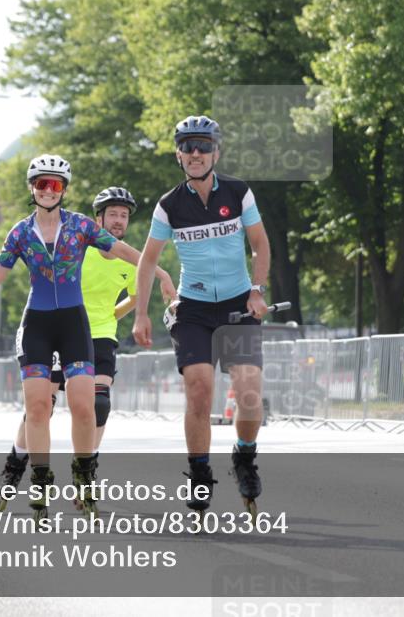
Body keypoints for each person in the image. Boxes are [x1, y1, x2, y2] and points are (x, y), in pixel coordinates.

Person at [0, 154, 148, 518]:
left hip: (73, 325)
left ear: (64, 190)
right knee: (38, 408)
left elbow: (123, 251)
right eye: (41, 184)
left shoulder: (80, 226)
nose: (48, 190)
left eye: (56, 185)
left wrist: (156, 269)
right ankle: (39, 480)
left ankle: (84, 477)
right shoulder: (20, 233)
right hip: (36, 325)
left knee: (85, 406)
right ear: (32, 188)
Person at [0, 186, 176, 510]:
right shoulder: (79, 244)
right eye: (113, 214)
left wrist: (113, 315)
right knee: (42, 406)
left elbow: (135, 296)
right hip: (57, 329)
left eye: (124, 215)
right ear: (99, 218)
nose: (119, 221)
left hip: (100, 335)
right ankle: (16, 463)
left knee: (100, 404)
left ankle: (85, 474)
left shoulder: (128, 260)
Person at [132, 115, 271, 514]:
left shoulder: (238, 192)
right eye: (188, 146)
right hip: (192, 308)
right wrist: (141, 314)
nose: (196, 153)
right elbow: (147, 261)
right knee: (199, 389)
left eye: (203, 146)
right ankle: (198, 473)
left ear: (216, 152)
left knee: (248, 390)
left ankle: (244, 457)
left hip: (237, 304)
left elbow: (260, 244)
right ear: (178, 154)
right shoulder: (169, 205)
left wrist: (257, 290)